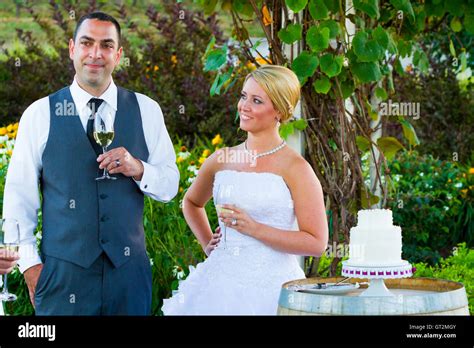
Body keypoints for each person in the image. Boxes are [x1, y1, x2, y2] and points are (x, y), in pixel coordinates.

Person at [1, 12, 179, 315]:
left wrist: (139, 168)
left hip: (129, 278)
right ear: (72, 49)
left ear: (119, 55)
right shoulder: (40, 114)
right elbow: (19, 203)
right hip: (63, 280)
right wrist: (32, 270)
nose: (96, 54)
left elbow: (170, 186)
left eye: (107, 45)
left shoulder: (146, 110)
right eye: (87, 43)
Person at [162, 65, 328, 315]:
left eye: (257, 100)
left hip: (273, 289)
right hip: (218, 287)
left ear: (280, 112)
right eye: (243, 96)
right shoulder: (222, 159)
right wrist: (208, 244)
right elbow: (191, 202)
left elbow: (316, 243)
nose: (244, 106)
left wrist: (254, 228)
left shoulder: (296, 168)